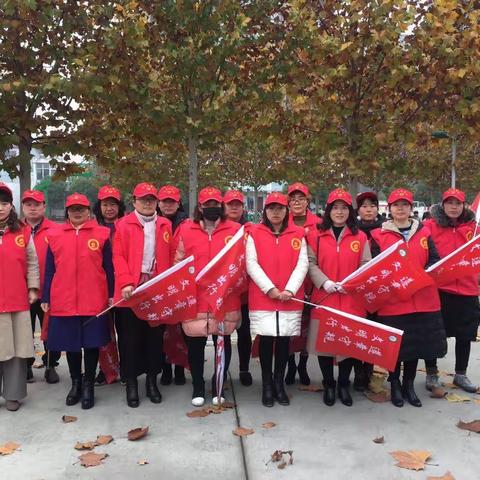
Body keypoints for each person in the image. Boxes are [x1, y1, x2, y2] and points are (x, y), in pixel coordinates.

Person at [370, 188, 447, 408]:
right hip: (394, 301)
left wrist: (420, 276)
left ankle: (409, 385)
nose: (401, 208)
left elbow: (434, 259)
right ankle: (394, 384)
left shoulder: (424, 233)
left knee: (415, 346)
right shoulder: (378, 235)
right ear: (389, 209)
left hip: (423, 299)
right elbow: (377, 266)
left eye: (405, 205)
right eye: (396, 205)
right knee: (396, 348)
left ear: (411, 208)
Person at [41, 193, 113, 410]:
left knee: (91, 344)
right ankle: (76, 383)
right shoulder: (54, 234)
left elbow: (109, 268)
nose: (77, 212)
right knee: (71, 346)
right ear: (67, 211)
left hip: (94, 298)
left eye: (81, 208)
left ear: (89, 210)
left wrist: (110, 294)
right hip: (64, 298)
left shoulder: (102, 233)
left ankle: (89, 384)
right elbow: (50, 270)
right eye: (73, 209)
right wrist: (46, 296)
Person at [174, 187, 242, 406]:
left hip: (225, 297)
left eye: (215, 204)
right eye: (207, 205)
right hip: (196, 299)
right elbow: (178, 263)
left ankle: (218, 384)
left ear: (221, 206)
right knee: (195, 345)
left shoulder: (236, 230)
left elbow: (243, 262)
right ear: (200, 207)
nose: (211, 208)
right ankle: (197, 385)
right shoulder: (186, 230)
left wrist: (234, 284)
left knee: (223, 342)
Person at [307, 188, 371, 407]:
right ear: (328, 210)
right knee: (324, 345)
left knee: (348, 345)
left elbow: (366, 265)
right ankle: (329, 384)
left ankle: (344, 384)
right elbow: (310, 262)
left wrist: (351, 284)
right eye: (335, 208)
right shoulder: (315, 234)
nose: (340, 212)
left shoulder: (360, 236)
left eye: (344, 208)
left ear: (350, 212)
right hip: (325, 296)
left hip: (351, 298)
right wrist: (325, 282)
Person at [113, 182, 172, 408]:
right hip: (131, 290)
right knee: (129, 339)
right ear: (134, 202)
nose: (147, 203)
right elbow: (118, 257)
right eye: (143, 199)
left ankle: (151, 381)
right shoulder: (123, 225)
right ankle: (131, 384)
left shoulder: (165, 224)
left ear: (156, 201)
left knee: (154, 338)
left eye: (151, 199)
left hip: (156, 288)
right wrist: (127, 282)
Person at [246, 192, 308, 407]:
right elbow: (251, 263)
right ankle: (267, 385)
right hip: (264, 297)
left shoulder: (298, 234)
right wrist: (270, 289)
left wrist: (290, 290)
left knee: (283, 340)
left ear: (286, 211)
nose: (275, 212)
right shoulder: (254, 233)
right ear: (265, 211)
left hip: (289, 298)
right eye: (271, 208)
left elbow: (303, 264)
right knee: (266, 339)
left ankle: (279, 383)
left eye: (280, 208)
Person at [423, 188, 479, 393]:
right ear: (443, 204)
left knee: (465, 335)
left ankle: (460, 375)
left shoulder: (474, 228)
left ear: (464, 205)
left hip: (467, 290)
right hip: (439, 289)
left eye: (458, 203)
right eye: (450, 203)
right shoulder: (429, 226)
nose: (454, 207)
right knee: (435, 333)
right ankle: (431, 373)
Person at [0, 183, 39, 411]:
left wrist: (33, 288)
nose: (0, 208)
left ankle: (13, 395)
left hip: (16, 299)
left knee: (15, 351)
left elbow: (33, 262)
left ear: (11, 206)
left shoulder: (22, 231)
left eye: (4, 203)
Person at [21, 189, 61, 384]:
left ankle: (50, 364)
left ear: (44, 206)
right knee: (24, 330)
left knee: (50, 330)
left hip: (49, 290)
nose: (33, 208)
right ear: (22, 208)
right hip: (22, 292)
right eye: (28, 204)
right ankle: (26, 365)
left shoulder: (56, 230)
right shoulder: (15, 229)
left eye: (37, 204)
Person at [285, 182, 321, 386]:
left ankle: (302, 365)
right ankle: (290, 365)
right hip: (288, 282)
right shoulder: (281, 221)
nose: (297, 202)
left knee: (306, 328)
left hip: (311, 281)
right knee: (291, 327)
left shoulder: (318, 223)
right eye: (293, 199)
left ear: (308, 201)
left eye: (301, 198)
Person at [93, 185, 125, 386]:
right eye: (105, 204)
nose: (109, 208)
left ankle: (128, 367)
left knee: (126, 331)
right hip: (100, 288)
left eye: (113, 204)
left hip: (124, 287)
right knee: (103, 333)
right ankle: (107, 370)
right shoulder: (93, 227)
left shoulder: (127, 225)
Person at [353, 191, 384, 391]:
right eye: (364, 206)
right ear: (358, 210)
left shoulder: (386, 230)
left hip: (379, 290)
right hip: (357, 291)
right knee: (358, 331)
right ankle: (358, 372)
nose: (368, 209)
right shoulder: (352, 230)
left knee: (374, 331)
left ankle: (370, 370)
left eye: (372, 205)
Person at [157, 185, 188, 386]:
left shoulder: (188, 224)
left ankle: (180, 368)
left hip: (182, 284)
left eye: (172, 201)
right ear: (159, 203)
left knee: (181, 330)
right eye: (165, 201)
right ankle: (165, 367)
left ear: (178, 203)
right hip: (158, 284)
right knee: (162, 331)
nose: (168, 205)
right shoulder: (152, 223)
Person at [224, 189, 253, 386]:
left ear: (243, 207)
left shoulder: (252, 229)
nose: (234, 207)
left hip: (245, 292)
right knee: (224, 333)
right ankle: (222, 371)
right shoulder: (216, 228)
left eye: (238, 204)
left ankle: (244, 368)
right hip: (224, 292)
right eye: (230, 204)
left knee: (244, 332)